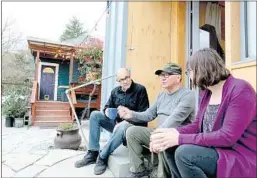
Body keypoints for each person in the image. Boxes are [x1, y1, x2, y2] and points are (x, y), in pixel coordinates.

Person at [150, 48, 256, 178]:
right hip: (216, 149)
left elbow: (227, 137)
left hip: (239, 155)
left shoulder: (240, 89)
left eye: (190, 71)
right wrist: (171, 134)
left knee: (184, 154)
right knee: (170, 147)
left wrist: (179, 138)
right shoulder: (206, 93)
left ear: (202, 69)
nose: (190, 76)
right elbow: (197, 126)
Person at [118, 62, 195, 178]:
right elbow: (149, 115)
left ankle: (161, 175)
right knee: (131, 131)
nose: (163, 78)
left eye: (167, 75)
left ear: (178, 77)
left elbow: (174, 120)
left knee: (162, 137)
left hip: (176, 135)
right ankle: (138, 170)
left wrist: (157, 134)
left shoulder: (187, 95)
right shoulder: (161, 95)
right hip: (159, 132)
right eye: (161, 75)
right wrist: (131, 114)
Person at [74, 68, 150, 175]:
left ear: (130, 76)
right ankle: (93, 152)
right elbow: (107, 108)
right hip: (116, 125)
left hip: (133, 128)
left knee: (123, 126)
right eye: (122, 79)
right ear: (118, 81)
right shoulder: (115, 92)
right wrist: (107, 112)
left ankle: (102, 157)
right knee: (95, 115)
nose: (125, 81)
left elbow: (144, 115)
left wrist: (128, 119)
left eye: (127, 77)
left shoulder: (140, 89)